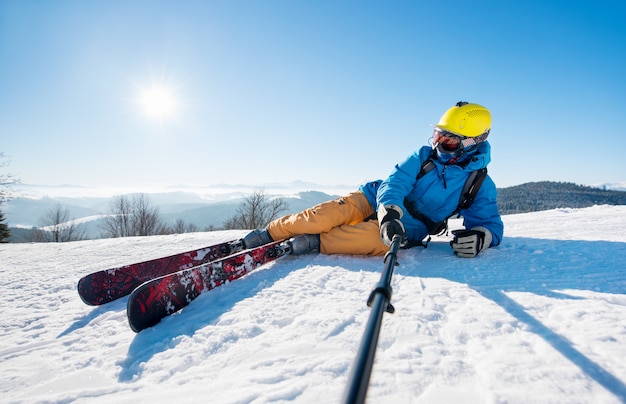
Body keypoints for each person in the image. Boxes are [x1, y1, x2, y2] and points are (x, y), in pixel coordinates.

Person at [243, 101, 503, 258]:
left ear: (471, 143)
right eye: (437, 135)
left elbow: (490, 223)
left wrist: (482, 237)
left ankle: (312, 242)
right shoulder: (423, 156)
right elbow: (395, 182)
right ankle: (268, 233)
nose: (438, 144)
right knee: (322, 217)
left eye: (448, 140)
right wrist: (389, 211)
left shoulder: (478, 183)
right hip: (376, 199)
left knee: (374, 241)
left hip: (411, 227)